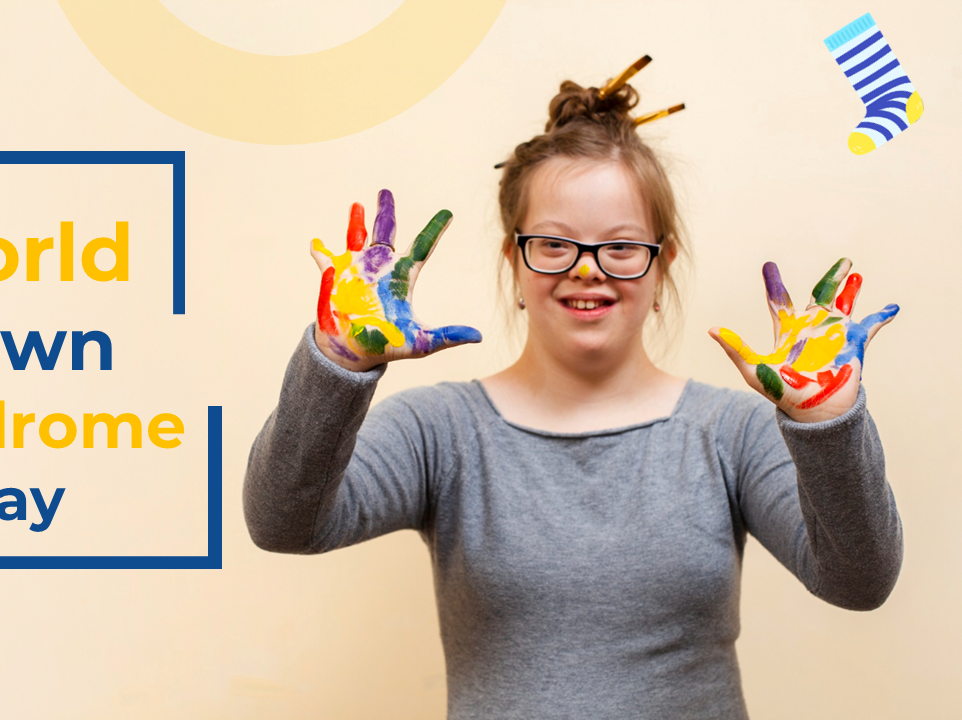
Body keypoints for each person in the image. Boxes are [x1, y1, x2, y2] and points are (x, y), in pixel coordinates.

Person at [242, 60, 903, 719]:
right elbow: (282, 524)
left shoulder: (730, 432)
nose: (587, 272)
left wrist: (830, 422)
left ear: (661, 262)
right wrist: (336, 364)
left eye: (620, 248)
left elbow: (858, 582)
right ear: (513, 258)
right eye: (554, 245)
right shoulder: (438, 430)